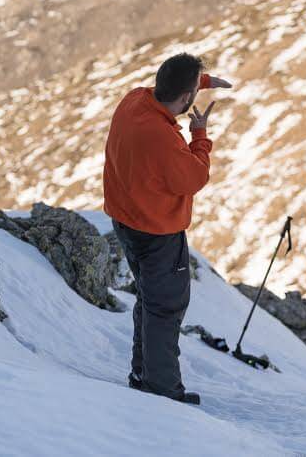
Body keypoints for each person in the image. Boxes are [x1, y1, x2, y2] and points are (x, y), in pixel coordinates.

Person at [103, 52, 231, 405]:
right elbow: (194, 177)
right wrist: (200, 135)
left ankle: (143, 372)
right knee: (165, 307)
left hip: (126, 221)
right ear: (186, 96)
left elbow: (166, 85)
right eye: (193, 90)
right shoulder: (162, 137)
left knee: (149, 298)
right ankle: (161, 390)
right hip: (157, 231)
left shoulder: (134, 100)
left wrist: (201, 83)